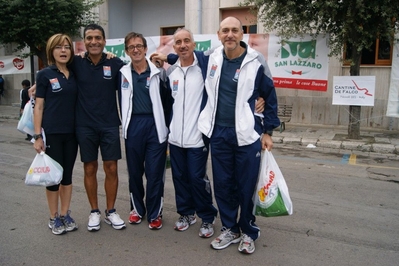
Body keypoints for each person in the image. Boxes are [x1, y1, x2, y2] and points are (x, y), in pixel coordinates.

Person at [198, 17, 280, 254]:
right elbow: (183, 55)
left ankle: (248, 231)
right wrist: (161, 59)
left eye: (235, 30)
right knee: (223, 184)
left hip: (247, 134)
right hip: (218, 133)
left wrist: (268, 131)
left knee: (246, 186)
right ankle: (230, 229)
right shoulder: (211, 57)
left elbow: (270, 95)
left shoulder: (256, 60)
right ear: (218, 34)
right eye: (225, 31)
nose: (230, 35)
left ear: (243, 34)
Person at [159, 28, 218, 237]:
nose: (183, 45)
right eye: (178, 42)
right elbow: (168, 105)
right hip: (175, 138)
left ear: (194, 44)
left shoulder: (204, 67)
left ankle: (207, 217)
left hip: (197, 138)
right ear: (174, 46)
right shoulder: (171, 72)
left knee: (197, 178)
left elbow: (222, 52)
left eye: (187, 41)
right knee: (180, 178)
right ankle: (186, 213)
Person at [70, 24, 126, 231]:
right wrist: (35, 86)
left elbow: (136, 77)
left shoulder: (116, 63)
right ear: (84, 41)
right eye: (89, 38)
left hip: (110, 124)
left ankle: (111, 211)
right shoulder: (75, 63)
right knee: (89, 167)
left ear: (104, 40)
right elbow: (54, 71)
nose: (94, 41)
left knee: (111, 168)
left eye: (98, 38)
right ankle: (94, 211)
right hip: (84, 125)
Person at [119, 32, 172, 230]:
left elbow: (168, 102)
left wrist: (166, 126)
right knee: (134, 172)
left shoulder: (159, 72)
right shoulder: (122, 73)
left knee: (154, 173)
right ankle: (137, 209)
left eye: (139, 45)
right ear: (127, 51)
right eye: (131, 47)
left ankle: (155, 212)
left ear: (145, 48)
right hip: (133, 126)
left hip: (155, 126)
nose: (135, 49)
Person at [33, 33, 79, 235]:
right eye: (59, 47)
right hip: (51, 134)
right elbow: (39, 106)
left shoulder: (74, 72)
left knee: (67, 177)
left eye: (67, 47)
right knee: (53, 179)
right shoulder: (44, 74)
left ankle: (65, 214)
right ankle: (53, 218)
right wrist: (37, 136)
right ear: (51, 51)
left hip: (72, 134)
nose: (63, 50)